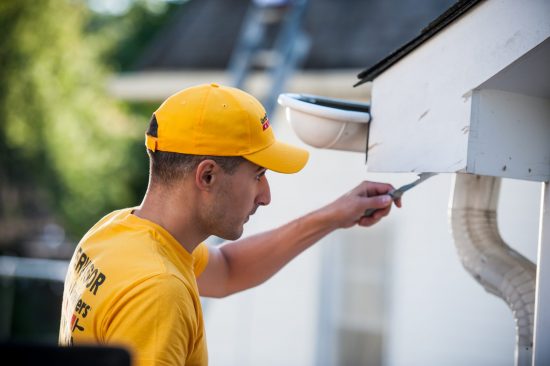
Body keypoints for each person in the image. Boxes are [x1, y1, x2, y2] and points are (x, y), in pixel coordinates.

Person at [59, 83, 400, 366]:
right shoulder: (160, 292)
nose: (265, 196)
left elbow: (228, 269)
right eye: (258, 176)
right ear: (207, 175)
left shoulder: (114, 232)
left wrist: (334, 215)